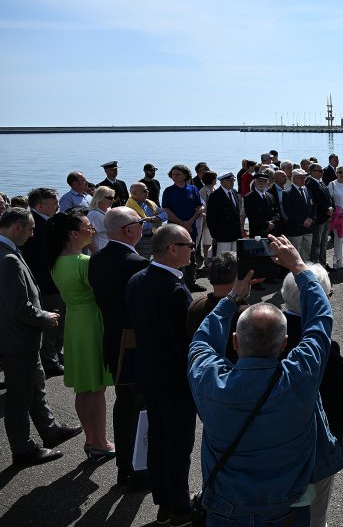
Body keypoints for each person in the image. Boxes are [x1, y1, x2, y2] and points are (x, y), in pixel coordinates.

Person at [187, 236, 334, 526]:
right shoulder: (299, 376)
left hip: (226, 509)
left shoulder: (210, 381)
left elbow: (201, 340)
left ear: (235, 343)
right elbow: (320, 322)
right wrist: (299, 267)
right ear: (284, 345)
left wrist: (232, 299)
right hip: (288, 508)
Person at [126, 224, 197, 526]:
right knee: (178, 447)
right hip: (174, 380)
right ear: (172, 249)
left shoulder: (137, 280)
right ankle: (180, 509)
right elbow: (183, 344)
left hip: (147, 373)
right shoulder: (174, 289)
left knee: (157, 439)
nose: (192, 249)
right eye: (189, 244)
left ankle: (164, 503)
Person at [0, 207, 82, 466]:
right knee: (20, 397)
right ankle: (23, 450)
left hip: (21, 337)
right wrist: (45, 317)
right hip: (18, 338)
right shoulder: (8, 258)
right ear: (17, 227)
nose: (33, 234)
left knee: (35, 386)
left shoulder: (7, 251)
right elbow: (18, 306)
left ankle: (50, 429)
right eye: (31, 228)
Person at [87, 206, 151, 487]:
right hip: (136, 343)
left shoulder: (96, 259)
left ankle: (125, 466)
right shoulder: (136, 262)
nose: (143, 228)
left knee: (124, 405)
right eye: (140, 223)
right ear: (128, 230)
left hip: (113, 339)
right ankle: (137, 471)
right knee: (141, 407)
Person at [280, 264, 343, 527]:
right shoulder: (325, 350)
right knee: (314, 517)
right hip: (313, 448)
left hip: (267, 449)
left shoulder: (264, 332)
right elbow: (336, 401)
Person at [46, 208, 115, 460]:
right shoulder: (84, 263)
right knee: (95, 388)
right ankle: (101, 442)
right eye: (88, 227)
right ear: (74, 234)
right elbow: (104, 294)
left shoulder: (56, 261)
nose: (93, 230)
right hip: (91, 321)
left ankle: (90, 439)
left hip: (75, 320)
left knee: (83, 388)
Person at [21, 187, 66, 376]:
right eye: (54, 202)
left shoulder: (46, 222)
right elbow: (30, 258)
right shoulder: (33, 225)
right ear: (40, 205)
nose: (58, 204)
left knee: (59, 319)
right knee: (51, 322)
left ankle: (54, 354)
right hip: (44, 282)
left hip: (52, 279)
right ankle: (49, 361)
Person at [161, 164, 205, 293]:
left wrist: (190, 221)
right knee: (175, 256)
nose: (175, 176)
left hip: (191, 229)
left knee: (191, 258)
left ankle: (191, 283)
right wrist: (181, 223)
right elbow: (166, 210)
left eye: (178, 174)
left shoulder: (193, 189)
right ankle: (176, 284)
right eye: (173, 174)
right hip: (174, 230)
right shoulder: (169, 191)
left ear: (185, 175)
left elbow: (200, 206)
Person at [204, 172, 243, 257]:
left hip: (235, 233)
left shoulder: (234, 193)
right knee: (223, 259)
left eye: (233, 180)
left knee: (234, 257)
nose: (232, 182)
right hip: (222, 235)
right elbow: (210, 218)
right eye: (229, 180)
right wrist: (214, 235)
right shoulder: (215, 196)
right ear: (222, 182)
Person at [126, 182, 166, 259]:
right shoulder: (128, 207)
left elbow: (165, 214)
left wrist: (154, 219)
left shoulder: (149, 203)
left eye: (147, 190)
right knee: (143, 263)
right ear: (134, 193)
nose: (147, 192)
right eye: (144, 190)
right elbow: (141, 226)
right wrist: (152, 220)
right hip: (140, 241)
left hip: (153, 238)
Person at [306, 164, 334, 268]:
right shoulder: (310, 184)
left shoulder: (321, 182)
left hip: (326, 217)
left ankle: (323, 262)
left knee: (324, 242)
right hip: (319, 218)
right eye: (319, 170)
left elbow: (329, 198)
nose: (322, 172)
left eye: (322, 170)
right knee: (317, 243)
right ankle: (316, 265)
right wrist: (326, 210)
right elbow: (314, 202)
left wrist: (331, 207)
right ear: (312, 172)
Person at [198, 170, 218, 267]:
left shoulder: (213, 189)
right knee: (206, 242)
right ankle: (207, 260)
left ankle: (211, 259)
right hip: (206, 221)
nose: (216, 180)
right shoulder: (202, 191)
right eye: (215, 178)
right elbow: (203, 207)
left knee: (213, 241)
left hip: (214, 220)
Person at [88, 185, 116, 251]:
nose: (113, 200)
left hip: (110, 249)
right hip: (99, 249)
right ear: (100, 198)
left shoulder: (109, 210)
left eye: (113, 198)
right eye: (110, 198)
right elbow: (89, 237)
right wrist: (96, 254)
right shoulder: (93, 215)